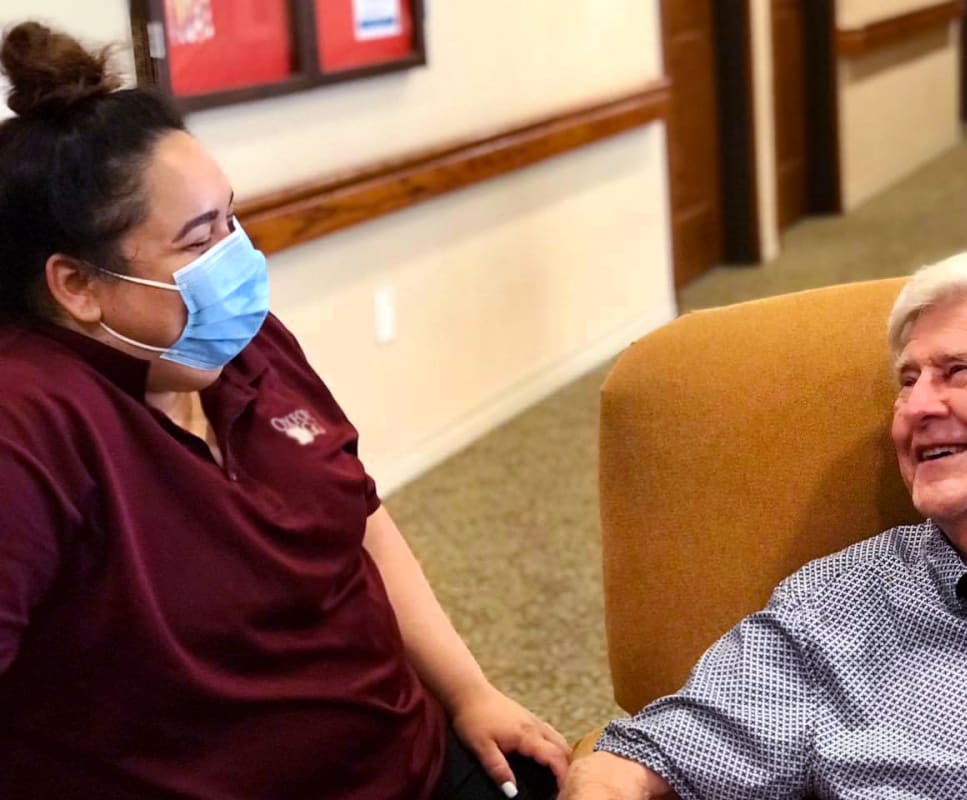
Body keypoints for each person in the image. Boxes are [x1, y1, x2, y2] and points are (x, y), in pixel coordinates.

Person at [0, 21, 566, 800]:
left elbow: (358, 516)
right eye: (199, 240)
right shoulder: (28, 422)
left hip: (411, 756)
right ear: (77, 285)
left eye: (230, 218)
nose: (238, 259)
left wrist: (470, 692)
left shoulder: (238, 344)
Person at [562, 250, 967, 799]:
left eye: (959, 372)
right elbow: (636, 764)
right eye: (909, 380)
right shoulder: (837, 613)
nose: (915, 408)